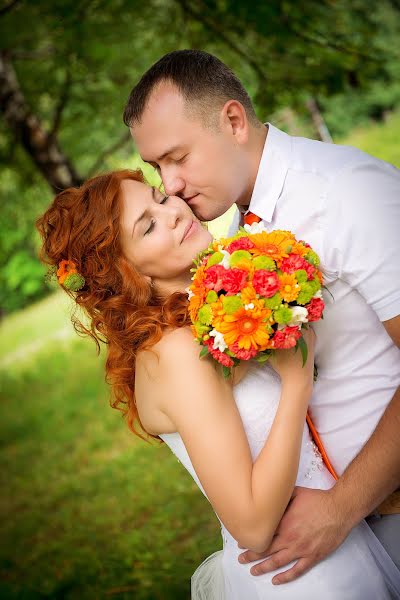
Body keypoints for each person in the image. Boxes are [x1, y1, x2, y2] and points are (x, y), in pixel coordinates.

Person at [36, 170, 399, 598]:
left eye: (160, 199)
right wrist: (296, 384)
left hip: (329, 543)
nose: (171, 213)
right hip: (302, 575)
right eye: (148, 225)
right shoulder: (175, 354)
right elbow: (253, 525)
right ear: (128, 274)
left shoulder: (207, 324)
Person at [122, 49, 400, 582]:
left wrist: (341, 507)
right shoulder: (235, 240)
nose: (171, 185)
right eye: (157, 168)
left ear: (232, 121)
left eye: (177, 157)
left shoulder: (345, 193)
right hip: (343, 541)